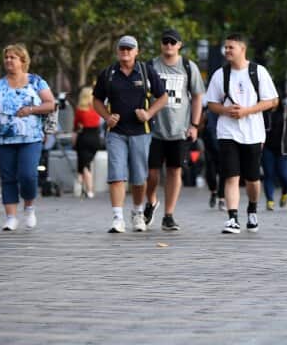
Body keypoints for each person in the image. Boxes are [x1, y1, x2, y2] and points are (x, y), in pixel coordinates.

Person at [0, 44, 57, 231]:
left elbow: (50, 103)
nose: (9, 60)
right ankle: (11, 217)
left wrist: (31, 109)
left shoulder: (36, 82)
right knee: (8, 177)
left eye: (13, 57)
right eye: (7, 57)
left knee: (28, 175)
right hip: (3, 139)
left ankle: (29, 207)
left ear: (23, 61)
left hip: (31, 138)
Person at [204, 33, 279, 234]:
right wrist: (226, 110)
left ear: (242, 49)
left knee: (253, 179)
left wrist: (246, 111)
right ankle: (232, 218)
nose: (227, 51)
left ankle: (252, 209)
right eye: (226, 47)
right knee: (231, 176)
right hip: (227, 132)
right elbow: (211, 103)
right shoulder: (221, 74)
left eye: (231, 47)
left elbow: (272, 101)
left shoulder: (258, 72)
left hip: (253, 133)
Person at [92, 36, 168, 233]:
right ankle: (117, 217)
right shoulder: (109, 73)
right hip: (116, 132)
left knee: (138, 177)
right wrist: (107, 117)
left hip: (140, 132)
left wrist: (149, 113)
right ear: (117, 51)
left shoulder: (145, 71)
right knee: (116, 175)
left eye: (129, 49)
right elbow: (97, 100)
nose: (125, 52)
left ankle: (137, 213)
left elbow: (163, 97)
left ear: (136, 51)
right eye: (122, 49)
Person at [145, 28, 205, 231]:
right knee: (151, 173)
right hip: (153, 129)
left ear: (179, 45)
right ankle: (151, 201)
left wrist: (194, 125)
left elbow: (197, 96)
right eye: (165, 41)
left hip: (179, 129)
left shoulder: (188, 67)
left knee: (174, 171)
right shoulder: (150, 66)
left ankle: (168, 214)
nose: (168, 45)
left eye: (173, 42)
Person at [262, 101, 287, 210]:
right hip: (267, 148)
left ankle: (285, 193)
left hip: (284, 150)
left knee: (284, 176)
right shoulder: (263, 110)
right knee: (268, 174)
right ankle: (270, 200)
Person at [72, 86, 101, 199]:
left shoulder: (80, 110)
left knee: (84, 165)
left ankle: (87, 189)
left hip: (84, 137)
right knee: (86, 163)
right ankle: (82, 188)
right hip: (95, 138)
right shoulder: (97, 110)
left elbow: (75, 126)